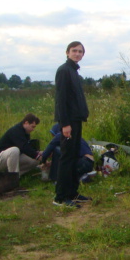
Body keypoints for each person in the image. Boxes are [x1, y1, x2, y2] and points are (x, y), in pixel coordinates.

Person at [53, 41, 91, 208]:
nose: (77, 54)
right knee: (66, 158)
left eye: (80, 51)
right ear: (67, 52)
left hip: (76, 120)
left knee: (75, 157)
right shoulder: (64, 70)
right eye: (74, 51)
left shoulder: (74, 71)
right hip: (69, 122)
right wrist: (65, 124)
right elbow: (61, 100)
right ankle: (60, 197)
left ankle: (72, 193)